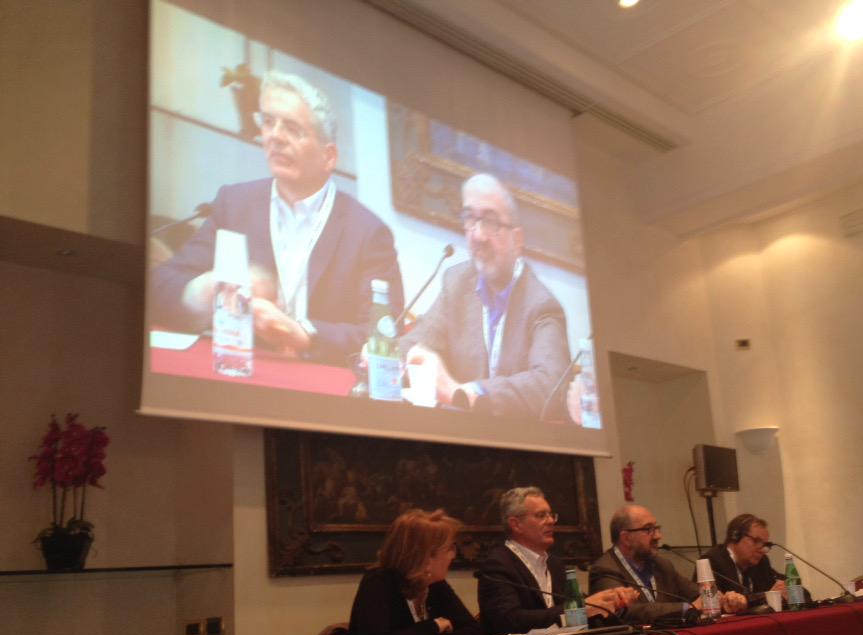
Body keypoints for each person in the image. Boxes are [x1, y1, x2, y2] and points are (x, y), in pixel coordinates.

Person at [151, 70, 404, 365]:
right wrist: (206, 289)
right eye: (269, 122)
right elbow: (158, 287)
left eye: (293, 129)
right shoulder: (234, 205)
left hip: (320, 383)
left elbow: (386, 334)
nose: (275, 137)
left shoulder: (368, 233)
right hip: (236, 370)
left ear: (329, 157)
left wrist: (304, 334)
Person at [399, 173, 571, 419]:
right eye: (470, 219)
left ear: (517, 240)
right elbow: (420, 342)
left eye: (491, 222)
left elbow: (550, 385)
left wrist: (465, 393)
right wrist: (385, 355)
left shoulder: (542, 305)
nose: (478, 235)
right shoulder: (456, 282)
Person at [476, 487, 637, 635]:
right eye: (541, 515)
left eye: (551, 515)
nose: (551, 521)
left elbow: (582, 613)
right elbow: (508, 621)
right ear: (516, 524)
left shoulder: (555, 564)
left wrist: (610, 602)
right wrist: (580, 608)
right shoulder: (497, 566)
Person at [344, 509, 482, 635]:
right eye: (449, 548)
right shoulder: (378, 583)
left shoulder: (436, 584)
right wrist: (434, 626)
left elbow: (473, 632)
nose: (453, 555)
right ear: (426, 556)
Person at [589, 505, 747, 624]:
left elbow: (695, 593)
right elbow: (625, 611)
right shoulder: (605, 569)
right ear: (626, 538)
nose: (658, 535)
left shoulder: (662, 565)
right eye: (649, 529)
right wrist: (688, 608)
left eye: (657, 528)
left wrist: (722, 600)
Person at [699, 514, 788, 605]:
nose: (762, 549)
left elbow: (786, 584)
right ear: (735, 536)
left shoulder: (761, 561)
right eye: (756, 541)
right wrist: (766, 596)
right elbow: (716, 604)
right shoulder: (712, 562)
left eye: (765, 544)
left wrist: (786, 589)